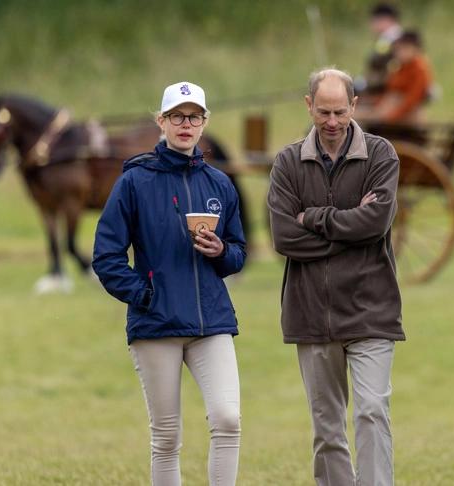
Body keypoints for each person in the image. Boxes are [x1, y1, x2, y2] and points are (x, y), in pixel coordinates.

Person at [92, 81, 246, 486]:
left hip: (211, 322)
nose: (185, 124)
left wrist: (220, 251)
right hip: (156, 323)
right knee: (166, 437)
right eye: (177, 116)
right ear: (161, 122)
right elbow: (106, 257)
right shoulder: (133, 182)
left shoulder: (220, 184)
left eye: (194, 117)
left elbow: (238, 254)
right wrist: (144, 293)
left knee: (228, 419)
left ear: (204, 124)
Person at [266, 68, 405, 486]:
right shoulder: (288, 163)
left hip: (371, 312)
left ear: (354, 106)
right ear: (309, 106)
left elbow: (376, 222)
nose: (332, 121)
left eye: (340, 112)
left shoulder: (381, 155)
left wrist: (316, 218)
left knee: (371, 411)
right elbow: (284, 237)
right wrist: (351, 230)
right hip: (311, 316)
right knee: (327, 431)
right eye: (323, 112)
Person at [356, 29, 434, 125]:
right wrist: (373, 101)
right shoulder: (401, 66)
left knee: (356, 116)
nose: (397, 52)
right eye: (397, 49)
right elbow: (390, 90)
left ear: (413, 49)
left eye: (402, 49)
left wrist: (390, 116)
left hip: (406, 115)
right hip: (387, 108)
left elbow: (412, 99)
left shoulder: (420, 69)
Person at [356, 2, 403, 100]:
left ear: (386, 20)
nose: (371, 25)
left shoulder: (390, 40)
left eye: (374, 20)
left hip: (386, 86)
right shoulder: (398, 36)